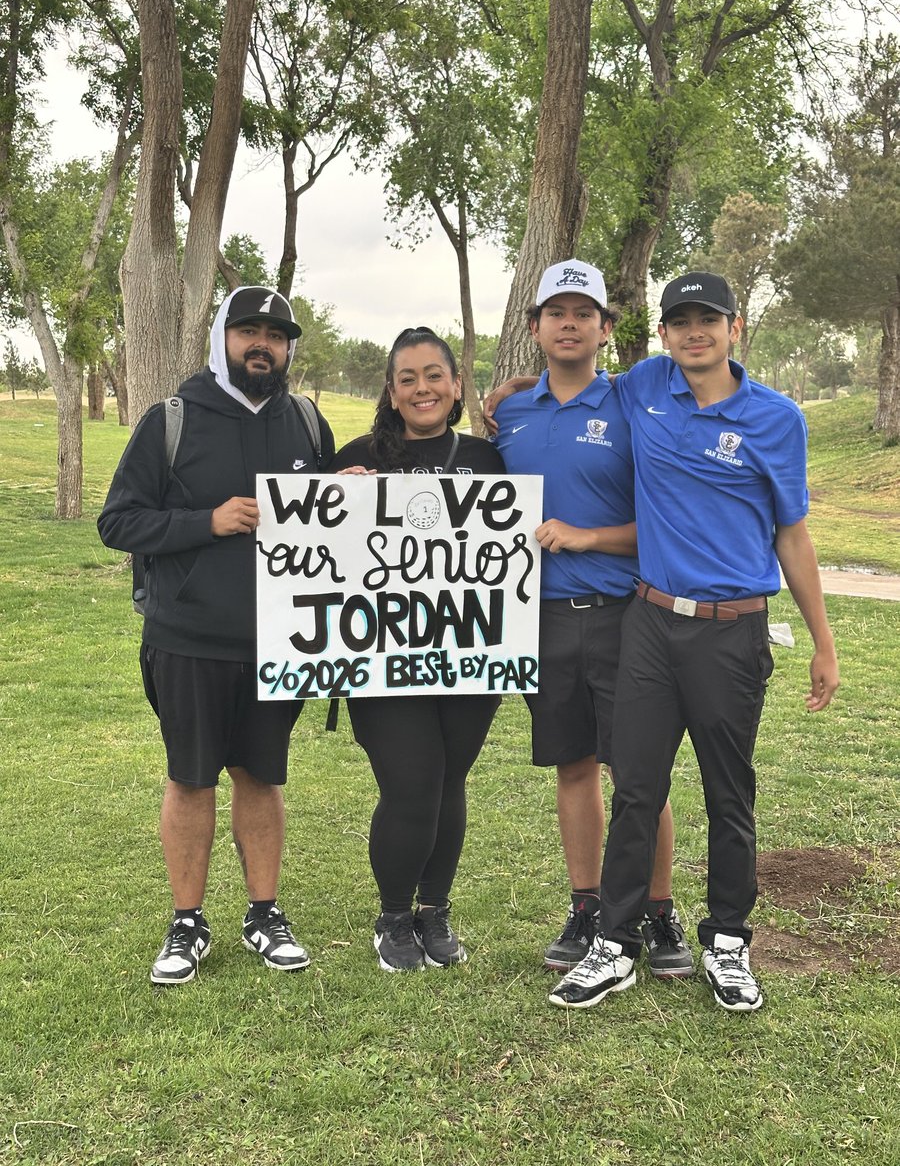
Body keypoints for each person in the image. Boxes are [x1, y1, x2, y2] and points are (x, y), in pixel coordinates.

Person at [547, 271, 839, 1012]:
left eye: (708, 320)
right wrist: (512, 384)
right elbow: (576, 373)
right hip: (648, 623)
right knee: (637, 787)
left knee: (728, 794)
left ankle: (730, 945)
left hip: (731, 631)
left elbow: (793, 536)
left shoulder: (778, 419)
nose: (694, 333)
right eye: (681, 322)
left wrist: (822, 641)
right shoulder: (646, 387)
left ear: (736, 328)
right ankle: (614, 945)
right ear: (666, 335)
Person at [98, 286, 335, 985]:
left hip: (280, 640)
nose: (262, 343)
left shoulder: (306, 422)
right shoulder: (170, 419)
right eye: (247, 330)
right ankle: (187, 923)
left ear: (290, 347)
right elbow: (118, 522)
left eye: (275, 334)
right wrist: (207, 521)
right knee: (191, 778)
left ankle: (264, 914)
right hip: (188, 636)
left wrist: (347, 493)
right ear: (222, 338)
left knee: (261, 778)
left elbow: (329, 525)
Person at [490, 260, 690, 979]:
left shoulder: (637, 410)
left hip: (623, 616)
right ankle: (588, 907)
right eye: (556, 312)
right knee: (573, 767)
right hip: (539, 619)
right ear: (535, 327)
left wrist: (587, 536)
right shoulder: (507, 413)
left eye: (584, 313)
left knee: (639, 776)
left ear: (606, 329)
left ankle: (658, 911)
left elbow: (666, 519)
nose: (569, 324)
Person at [331, 327, 505, 972]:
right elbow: (316, 554)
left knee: (448, 781)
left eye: (435, 375)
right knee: (411, 783)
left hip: (469, 653)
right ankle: (393, 916)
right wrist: (334, 499)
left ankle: (435, 910)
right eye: (409, 378)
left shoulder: (489, 460)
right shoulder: (356, 458)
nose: (423, 388)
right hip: (380, 658)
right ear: (392, 390)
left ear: (456, 385)